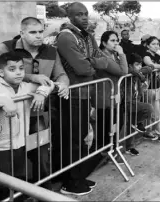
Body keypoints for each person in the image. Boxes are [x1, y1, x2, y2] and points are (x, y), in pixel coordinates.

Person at [0, 16, 70, 191]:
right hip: (10, 114)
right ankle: (12, 193)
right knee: (10, 158)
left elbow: (60, 75)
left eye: (41, 31)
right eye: (33, 32)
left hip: (38, 113)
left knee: (41, 154)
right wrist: (31, 77)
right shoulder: (7, 47)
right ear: (22, 33)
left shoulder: (50, 51)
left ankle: (42, 191)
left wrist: (63, 85)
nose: (39, 36)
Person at [55, 2, 126, 195]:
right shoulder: (66, 37)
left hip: (86, 93)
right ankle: (69, 183)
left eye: (86, 14)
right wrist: (94, 63)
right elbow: (83, 69)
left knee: (80, 138)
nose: (84, 18)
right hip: (72, 95)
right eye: (79, 15)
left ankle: (77, 177)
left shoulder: (86, 36)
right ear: (70, 17)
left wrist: (92, 61)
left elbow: (99, 59)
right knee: (72, 140)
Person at [0, 52, 54, 201]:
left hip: (20, 143)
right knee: (0, 184)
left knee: (17, 180)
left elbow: (50, 84)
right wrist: (2, 100)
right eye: (12, 69)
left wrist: (41, 93)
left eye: (21, 68)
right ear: (1, 72)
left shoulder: (25, 86)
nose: (18, 72)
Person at [92, 30, 128, 162]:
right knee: (106, 127)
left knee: (116, 124)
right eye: (112, 41)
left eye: (117, 40)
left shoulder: (113, 55)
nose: (116, 43)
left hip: (115, 96)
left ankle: (112, 150)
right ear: (103, 42)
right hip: (105, 98)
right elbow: (123, 71)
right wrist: (122, 53)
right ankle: (105, 153)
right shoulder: (103, 57)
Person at [120, 53, 155, 156]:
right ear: (130, 65)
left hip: (135, 101)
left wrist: (139, 72)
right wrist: (138, 74)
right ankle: (120, 148)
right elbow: (129, 70)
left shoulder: (137, 74)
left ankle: (130, 147)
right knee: (148, 108)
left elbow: (150, 67)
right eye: (137, 64)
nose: (139, 66)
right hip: (126, 103)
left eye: (140, 64)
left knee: (132, 123)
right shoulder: (128, 74)